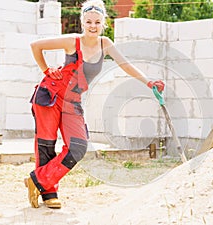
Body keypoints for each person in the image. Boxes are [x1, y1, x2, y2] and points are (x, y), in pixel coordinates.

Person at [25, 0, 165, 209]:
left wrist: (148, 82)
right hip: (52, 95)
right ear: (83, 22)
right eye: (89, 21)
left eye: (97, 22)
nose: (92, 26)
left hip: (72, 101)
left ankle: (37, 180)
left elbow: (126, 65)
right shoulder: (72, 41)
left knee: (78, 146)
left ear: (103, 23)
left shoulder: (105, 43)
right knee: (46, 143)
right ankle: (48, 192)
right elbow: (36, 46)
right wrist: (46, 70)